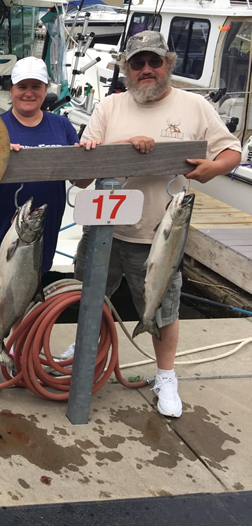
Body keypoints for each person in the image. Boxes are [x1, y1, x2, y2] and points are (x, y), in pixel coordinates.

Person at [75, 30, 241, 418]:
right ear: (126, 68)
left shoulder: (194, 106)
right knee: (89, 295)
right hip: (104, 228)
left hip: (159, 234)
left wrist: (212, 169)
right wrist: (120, 149)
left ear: (168, 64)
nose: (146, 69)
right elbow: (81, 174)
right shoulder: (108, 107)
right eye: (138, 63)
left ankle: (165, 374)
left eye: (154, 61)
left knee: (164, 307)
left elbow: (230, 150)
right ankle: (86, 344)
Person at [0, 56, 82, 386]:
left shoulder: (62, 126)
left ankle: (14, 350)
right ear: (12, 89)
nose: (29, 93)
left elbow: (82, 180)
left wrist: (86, 153)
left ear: (45, 89)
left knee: (22, 292)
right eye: (23, 86)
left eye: (36, 86)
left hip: (39, 229)